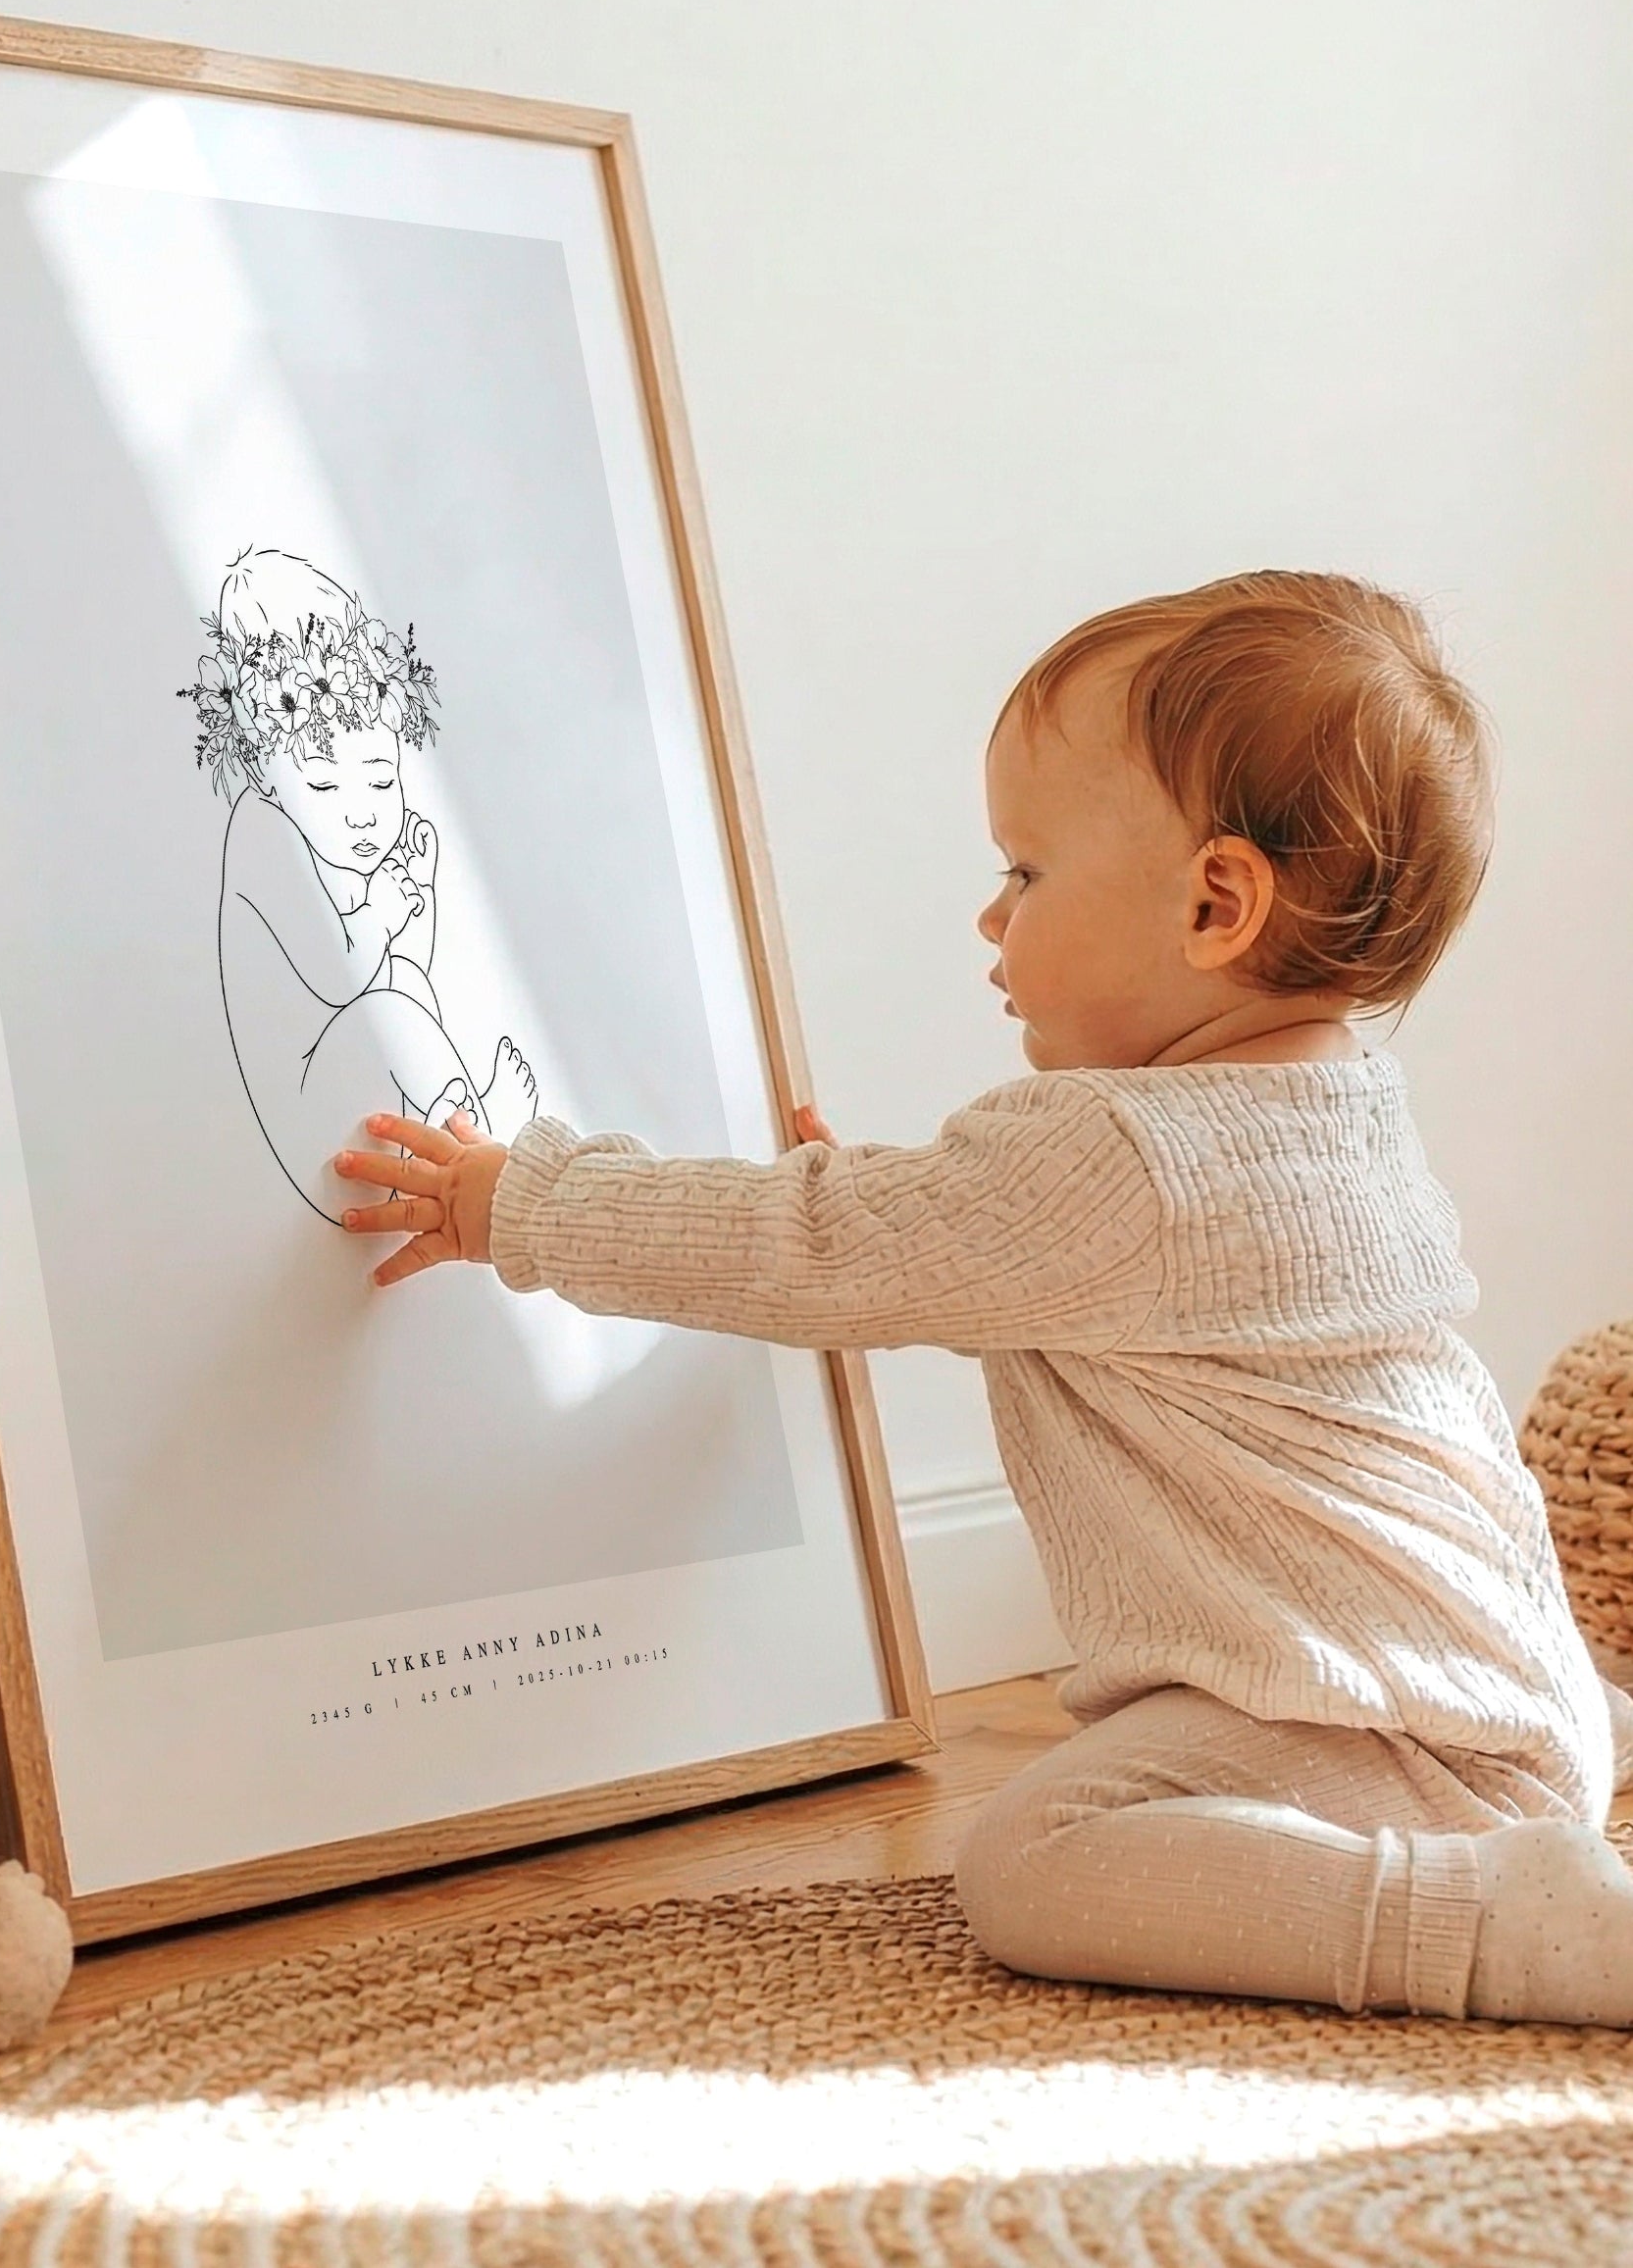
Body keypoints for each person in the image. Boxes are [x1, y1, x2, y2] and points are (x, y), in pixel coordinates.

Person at [332, 569, 1633, 2027]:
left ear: (1214, 904)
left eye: (1023, 873)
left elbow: (808, 1248)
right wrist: (905, 1223)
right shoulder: (1339, 1113)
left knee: (1035, 1858)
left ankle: (1492, 1927)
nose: (987, 915)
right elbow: (1035, 1285)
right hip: (1500, 1688)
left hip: (1379, 1735)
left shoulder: (1118, 1154)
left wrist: (523, 1201)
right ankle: (1541, 1806)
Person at [181, 547, 537, 1222]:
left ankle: (465, 1144)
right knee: (396, 1005)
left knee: (405, 988)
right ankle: (475, 1132)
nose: (362, 812)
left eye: (381, 779)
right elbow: (338, 978)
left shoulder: (329, 846)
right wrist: (382, 911)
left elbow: (399, 968)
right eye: (323, 784)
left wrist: (416, 901)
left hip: (357, 1086)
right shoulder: (263, 838)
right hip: (307, 1103)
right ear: (266, 775)